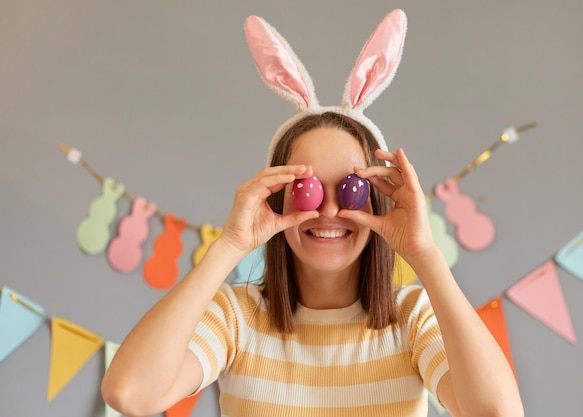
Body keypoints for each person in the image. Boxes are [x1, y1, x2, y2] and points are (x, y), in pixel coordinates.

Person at [101, 9, 524, 417]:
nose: (329, 210)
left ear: (377, 202)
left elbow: (496, 413)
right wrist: (230, 246)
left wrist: (425, 255)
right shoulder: (237, 318)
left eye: (351, 189)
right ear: (276, 199)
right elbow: (129, 393)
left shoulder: (411, 319)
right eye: (307, 190)